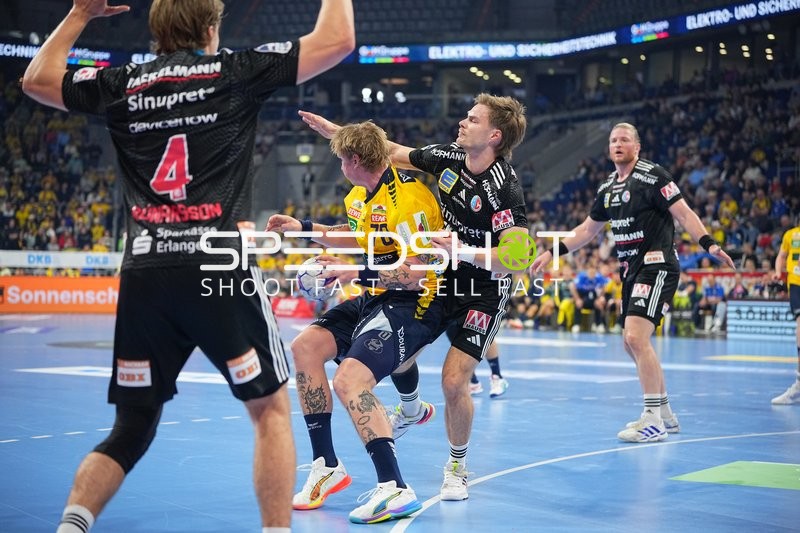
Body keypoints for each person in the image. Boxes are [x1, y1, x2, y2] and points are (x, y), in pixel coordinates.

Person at [22, 1, 354, 531]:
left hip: (146, 271)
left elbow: (36, 80)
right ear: (209, 27)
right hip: (216, 266)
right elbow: (336, 40)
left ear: (157, 30)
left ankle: (71, 525)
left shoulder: (122, 82)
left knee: (130, 428)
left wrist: (81, 13)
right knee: (268, 410)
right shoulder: (234, 71)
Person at [299, 92, 529, 500]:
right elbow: (387, 152)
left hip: (483, 290)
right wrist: (339, 135)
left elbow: (514, 259)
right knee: (396, 336)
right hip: (441, 275)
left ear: (494, 136)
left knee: (454, 380)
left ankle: (456, 466)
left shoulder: (504, 189)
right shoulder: (449, 157)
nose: (462, 122)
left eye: (472, 119)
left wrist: (459, 250)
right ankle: (407, 410)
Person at [266, 121, 443, 523]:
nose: (340, 168)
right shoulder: (360, 196)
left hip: (418, 303)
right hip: (376, 296)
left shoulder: (410, 200)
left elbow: (421, 272)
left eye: (341, 160)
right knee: (305, 347)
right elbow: (358, 236)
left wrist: (352, 274)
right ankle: (326, 466)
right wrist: (304, 229)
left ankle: (395, 488)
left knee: (350, 380)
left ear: (355, 160)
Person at [531, 122, 735, 443]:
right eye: (613, 140)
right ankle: (664, 413)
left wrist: (708, 243)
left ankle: (652, 420)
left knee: (636, 337)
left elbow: (683, 213)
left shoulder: (653, 176)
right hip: (630, 273)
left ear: (636, 147)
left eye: (624, 139)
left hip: (657, 267)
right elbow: (587, 231)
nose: (617, 144)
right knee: (631, 342)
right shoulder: (607, 188)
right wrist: (552, 251)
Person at [772, 220, 800, 405]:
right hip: (796, 283)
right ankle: (799, 383)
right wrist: (777, 272)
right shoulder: (791, 234)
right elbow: (782, 255)